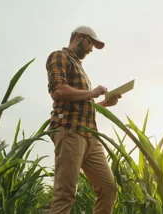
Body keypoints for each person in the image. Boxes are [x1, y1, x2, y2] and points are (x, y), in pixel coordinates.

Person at [45, 25, 122, 214]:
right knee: (66, 193)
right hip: (69, 131)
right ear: (79, 37)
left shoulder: (80, 67)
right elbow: (58, 90)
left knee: (108, 188)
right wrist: (93, 92)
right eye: (90, 43)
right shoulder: (59, 56)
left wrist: (104, 103)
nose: (91, 49)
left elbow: (83, 106)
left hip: (90, 135)